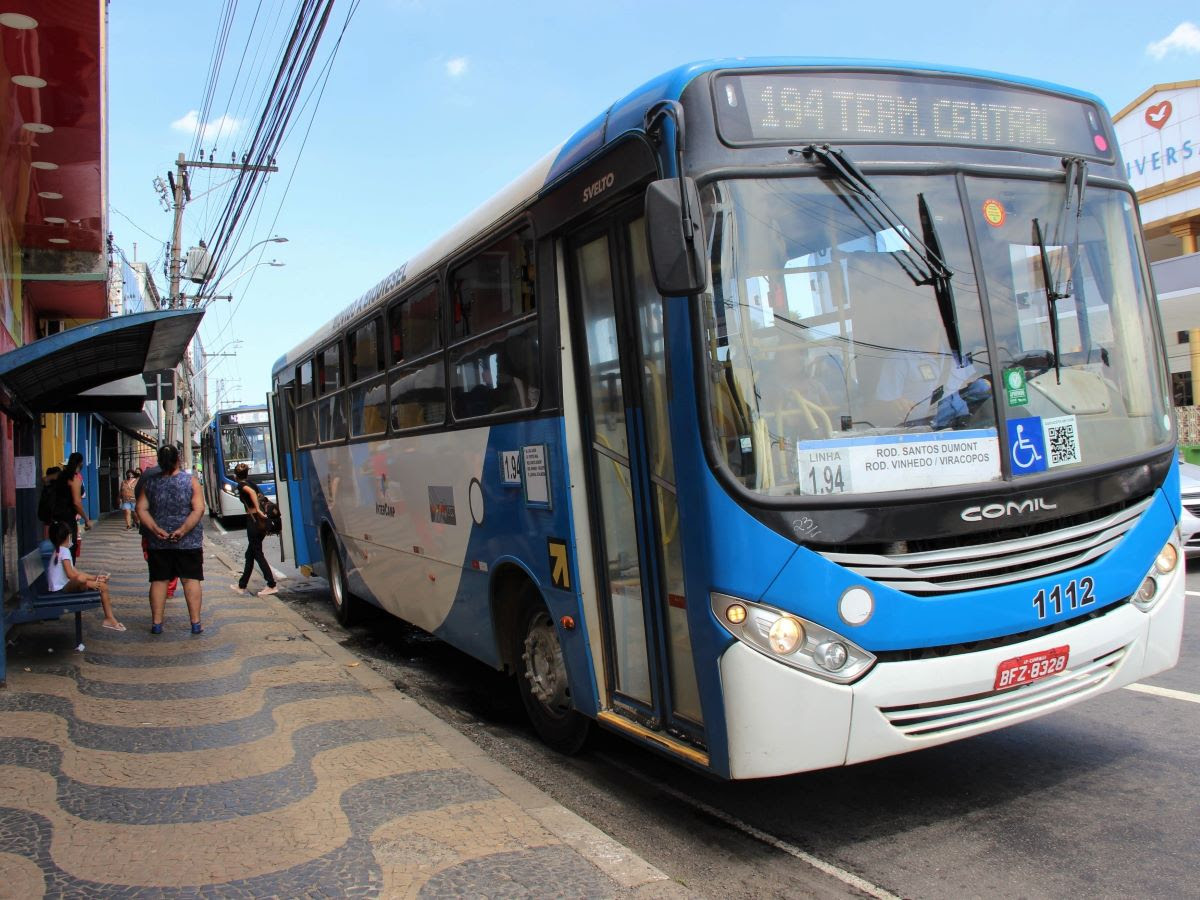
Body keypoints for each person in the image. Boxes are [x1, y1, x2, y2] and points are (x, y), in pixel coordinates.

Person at [136, 444, 205, 634]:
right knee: (190, 580)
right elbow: (198, 509)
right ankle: (195, 623)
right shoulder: (190, 482)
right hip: (189, 542)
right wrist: (182, 530)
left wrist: (155, 529)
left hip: (159, 542)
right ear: (178, 460)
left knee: (159, 581)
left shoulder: (150, 483)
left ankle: (157, 624)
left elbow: (140, 509)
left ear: (159, 462)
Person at [46, 521, 124, 631]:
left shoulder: (61, 550)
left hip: (64, 587)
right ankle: (92, 587)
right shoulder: (64, 551)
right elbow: (72, 575)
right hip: (60, 589)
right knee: (81, 579)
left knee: (102, 586)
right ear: (68, 536)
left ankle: (109, 618)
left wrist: (95, 578)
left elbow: (75, 571)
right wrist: (91, 582)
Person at [230, 462, 279, 597]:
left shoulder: (242, 485)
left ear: (236, 476)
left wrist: (257, 510)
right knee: (250, 554)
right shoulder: (252, 483)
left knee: (257, 553)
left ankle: (271, 584)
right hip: (260, 521)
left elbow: (251, 493)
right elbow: (259, 496)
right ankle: (242, 585)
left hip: (254, 521)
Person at [52, 452, 91, 561]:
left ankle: (58, 571)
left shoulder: (59, 476)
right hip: (68, 519)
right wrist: (86, 519)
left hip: (55, 518)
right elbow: (76, 503)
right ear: (80, 463)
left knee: (57, 548)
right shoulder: (74, 480)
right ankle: (68, 572)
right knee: (69, 548)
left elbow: (45, 479)